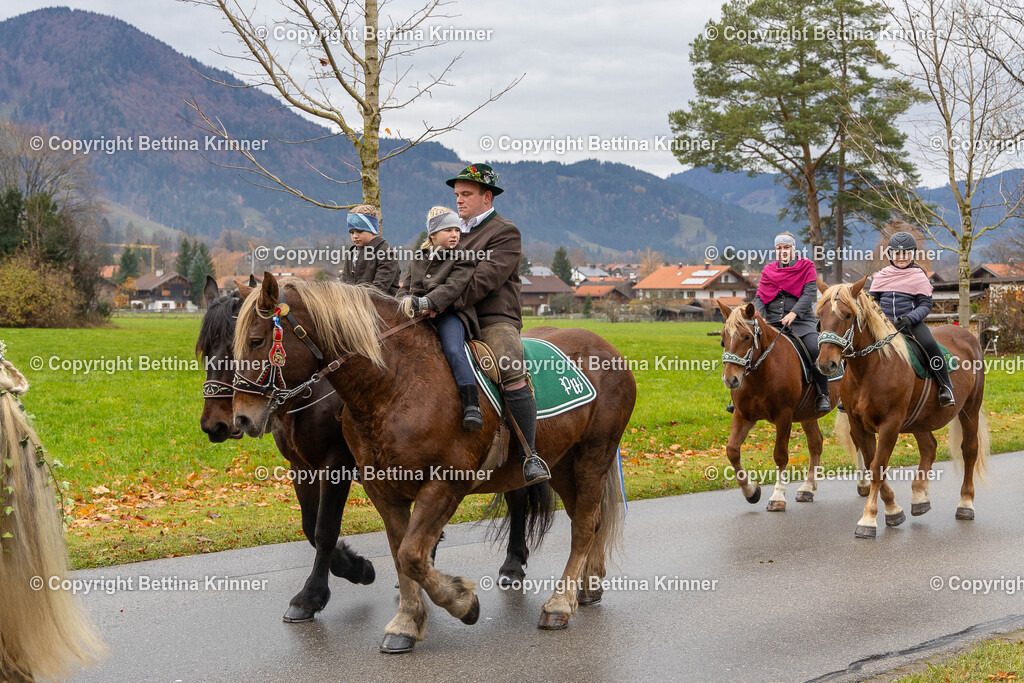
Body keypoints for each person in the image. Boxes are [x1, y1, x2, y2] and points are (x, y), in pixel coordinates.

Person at [445, 163, 550, 484]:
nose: (459, 200)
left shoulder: (505, 232)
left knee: (509, 361)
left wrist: (437, 303)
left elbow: (483, 281)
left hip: (493, 318)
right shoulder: (449, 231)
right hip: (453, 314)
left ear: (486, 197)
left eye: (466, 194)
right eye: (456, 195)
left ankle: (529, 454)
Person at [398, 207, 483, 431]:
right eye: (448, 230)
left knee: (454, 349)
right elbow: (404, 289)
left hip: (451, 315)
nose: (455, 234)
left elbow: (453, 288)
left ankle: (471, 404)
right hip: (418, 316)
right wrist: (404, 302)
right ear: (433, 235)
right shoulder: (418, 259)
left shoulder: (464, 257)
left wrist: (428, 303)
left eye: (457, 229)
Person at [869, 231, 955, 407]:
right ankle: (844, 394)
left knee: (930, 345)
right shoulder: (881, 275)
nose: (901, 257)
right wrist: (879, 316)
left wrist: (910, 318)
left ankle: (946, 386)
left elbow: (925, 305)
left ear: (912, 254)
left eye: (906, 253)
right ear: (890, 254)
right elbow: (872, 301)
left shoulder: (918, 275)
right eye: (897, 253)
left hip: (910, 324)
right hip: (883, 325)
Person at [753, 232, 832, 414]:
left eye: (787, 248)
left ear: (793, 249)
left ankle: (823, 394)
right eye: (779, 248)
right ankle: (741, 396)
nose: (783, 252)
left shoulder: (807, 267)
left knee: (815, 349)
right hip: (772, 323)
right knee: (749, 347)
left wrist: (794, 313)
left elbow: (809, 294)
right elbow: (759, 298)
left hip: (802, 322)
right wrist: (761, 317)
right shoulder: (768, 271)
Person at [339, 204, 400, 295]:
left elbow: (379, 289)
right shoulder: (352, 253)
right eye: (351, 232)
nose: (355, 236)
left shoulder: (386, 252)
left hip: (382, 306)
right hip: (354, 305)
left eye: (360, 231)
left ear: (372, 230)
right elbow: (343, 283)